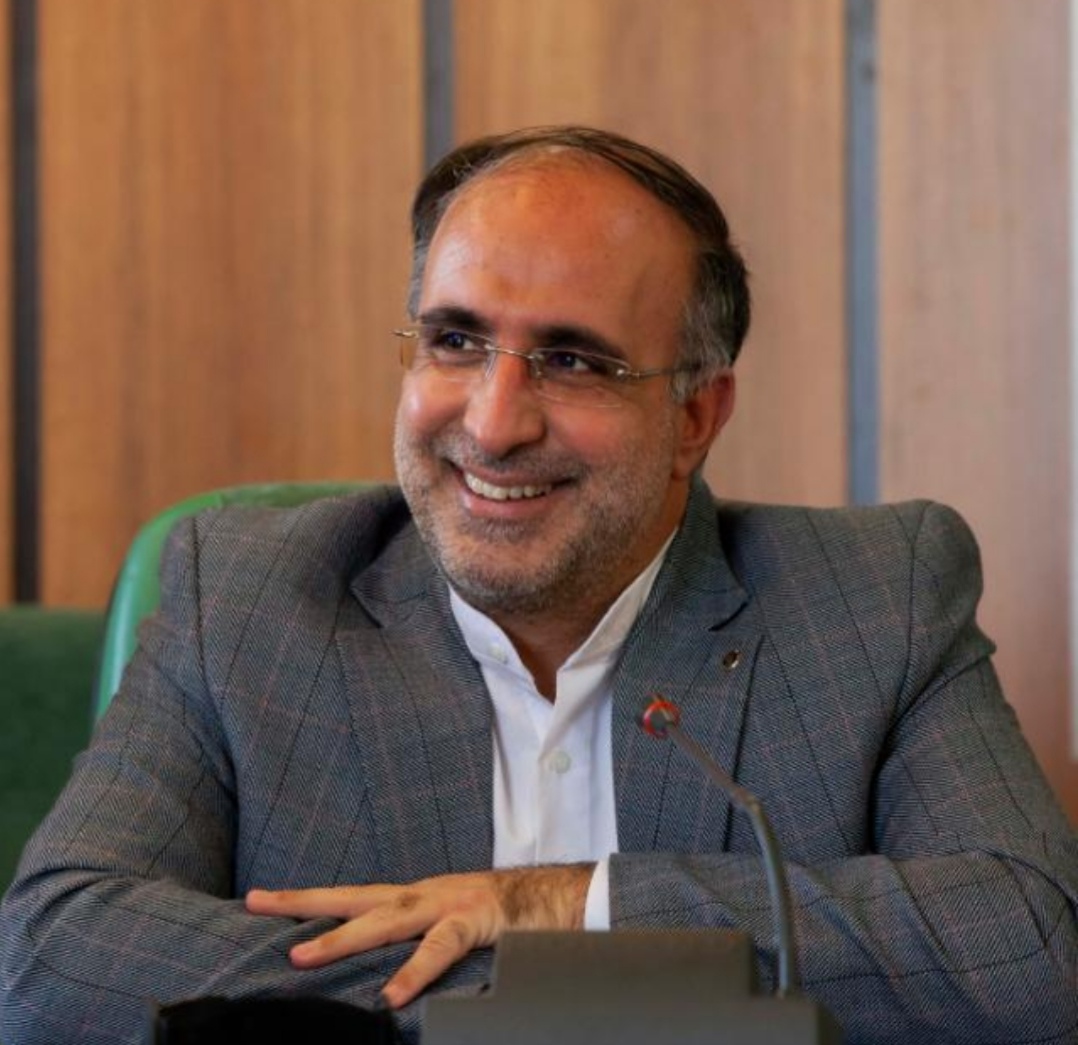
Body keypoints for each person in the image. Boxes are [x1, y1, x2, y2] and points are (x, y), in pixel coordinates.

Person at [1, 125, 1076, 1045]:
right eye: (455, 340)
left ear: (693, 416)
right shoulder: (247, 597)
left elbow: (1032, 948)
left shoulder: (874, 599)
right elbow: (51, 958)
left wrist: (564, 904)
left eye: (574, 361)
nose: (493, 422)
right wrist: (541, 988)